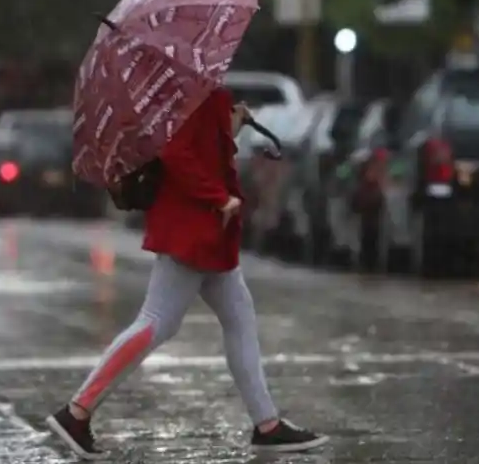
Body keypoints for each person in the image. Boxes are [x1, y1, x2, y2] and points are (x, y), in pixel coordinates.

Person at [46, 88, 328, 460]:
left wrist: (231, 126)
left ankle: (268, 425)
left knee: (238, 316)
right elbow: (176, 152)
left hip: (205, 229)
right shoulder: (190, 90)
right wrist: (217, 196)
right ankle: (77, 411)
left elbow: (202, 147)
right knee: (156, 322)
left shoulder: (190, 89)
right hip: (193, 227)